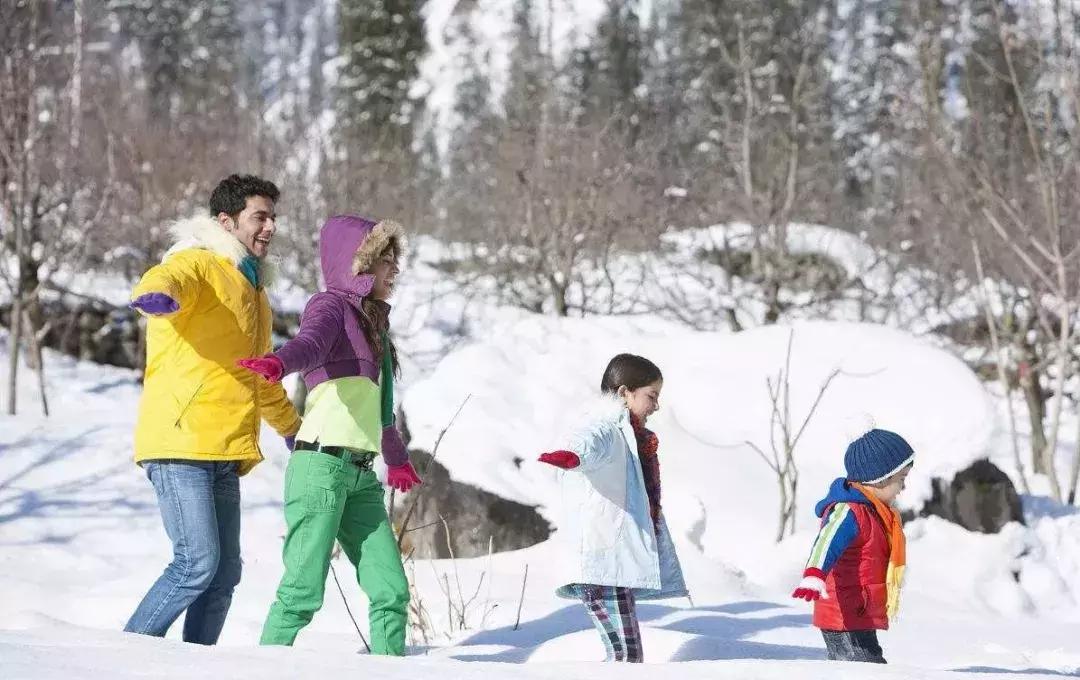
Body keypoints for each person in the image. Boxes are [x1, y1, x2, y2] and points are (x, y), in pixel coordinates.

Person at [124, 174, 302, 644]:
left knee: (224, 576)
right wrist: (155, 294)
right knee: (195, 563)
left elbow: (257, 374)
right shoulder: (199, 263)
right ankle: (122, 660)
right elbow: (170, 276)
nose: (270, 227)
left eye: (273, 218)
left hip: (224, 450)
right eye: (260, 217)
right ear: (226, 222)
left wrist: (291, 427)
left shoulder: (254, 293)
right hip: (182, 440)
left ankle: (195, 666)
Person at [238, 214, 420, 655]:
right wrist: (282, 362)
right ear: (357, 265)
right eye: (385, 260)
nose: (394, 270)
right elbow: (313, 342)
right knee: (302, 593)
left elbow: (381, 411)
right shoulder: (331, 306)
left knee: (391, 591)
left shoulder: (375, 326)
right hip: (320, 468)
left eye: (396, 261)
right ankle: (261, 668)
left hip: (361, 478)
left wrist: (395, 458)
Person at [537, 353, 687, 663]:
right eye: (651, 395)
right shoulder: (607, 428)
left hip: (610, 563)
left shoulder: (629, 436)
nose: (656, 406)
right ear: (623, 393)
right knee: (626, 656)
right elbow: (588, 442)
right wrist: (572, 455)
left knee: (623, 654)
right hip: (603, 560)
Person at [791, 426, 914, 664]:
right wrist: (814, 573)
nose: (903, 488)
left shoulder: (873, 512)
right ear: (880, 478)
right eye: (901, 479)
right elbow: (826, 541)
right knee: (861, 669)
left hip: (859, 611)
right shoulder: (848, 510)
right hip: (843, 614)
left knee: (869, 665)